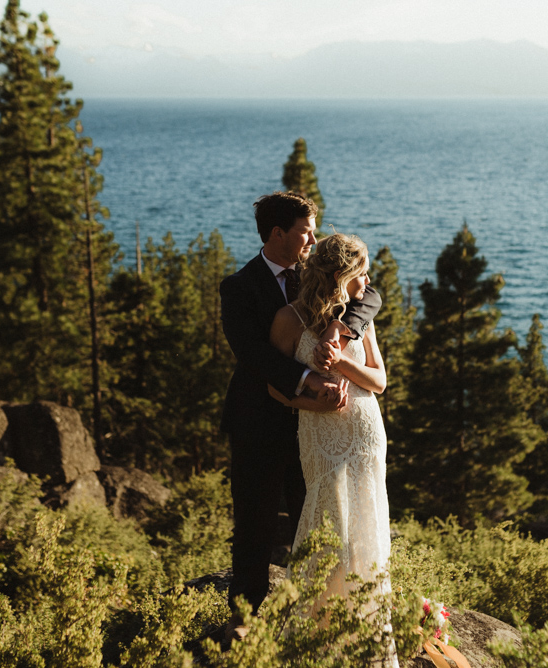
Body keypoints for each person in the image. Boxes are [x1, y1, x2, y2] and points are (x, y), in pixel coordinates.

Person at [219, 192, 381, 632]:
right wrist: (309, 380)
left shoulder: (315, 271)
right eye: (305, 229)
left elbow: (371, 292)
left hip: (315, 428)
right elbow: (254, 355)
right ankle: (246, 618)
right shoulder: (239, 287)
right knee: (256, 518)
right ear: (277, 233)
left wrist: (342, 326)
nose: (313, 236)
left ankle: (314, 610)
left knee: (317, 516)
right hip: (260, 420)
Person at [268, 233, 396, 660]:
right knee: (328, 528)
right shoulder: (288, 320)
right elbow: (276, 389)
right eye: (361, 272)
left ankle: (363, 637)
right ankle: (316, 638)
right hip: (319, 433)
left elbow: (378, 381)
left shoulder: (357, 317)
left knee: (364, 529)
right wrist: (314, 401)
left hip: (364, 433)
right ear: (341, 275)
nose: (369, 280)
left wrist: (339, 360)